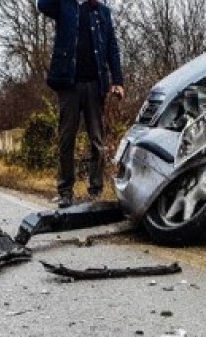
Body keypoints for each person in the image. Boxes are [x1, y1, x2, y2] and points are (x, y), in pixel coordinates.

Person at [38, 0, 124, 208]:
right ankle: (65, 191)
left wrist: (118, 81)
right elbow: (43, 5)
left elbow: (112, 47)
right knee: (67, 139)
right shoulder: (64, 5)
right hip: (69, 84)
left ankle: (95, 189)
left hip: (95, 85)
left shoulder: (102, 12)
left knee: (97, 141)